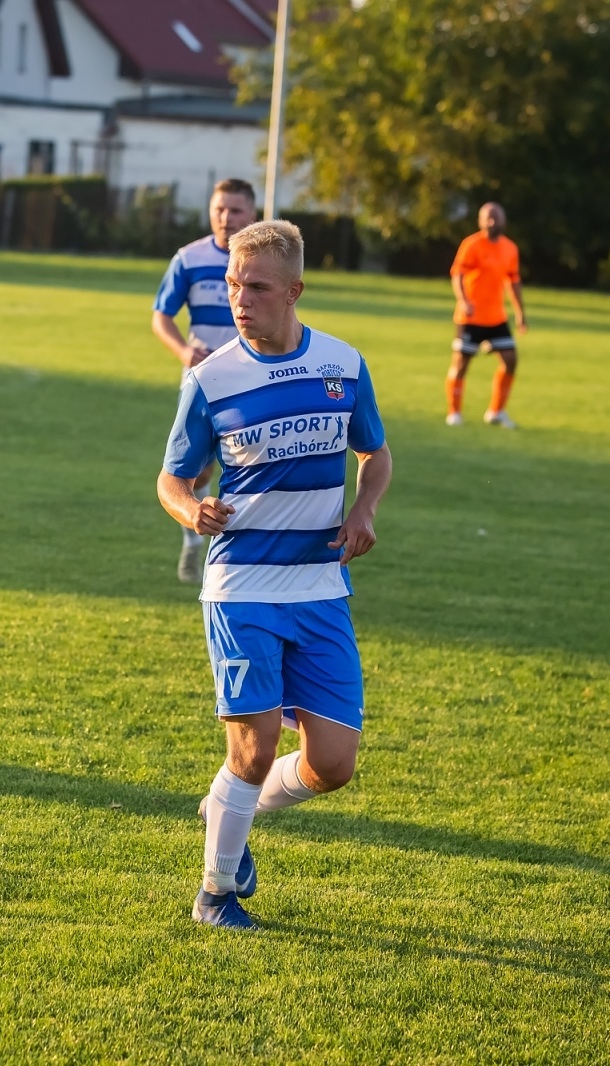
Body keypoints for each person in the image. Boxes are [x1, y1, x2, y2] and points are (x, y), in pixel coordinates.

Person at [157, 219, 393, 928]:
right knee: (255, 748)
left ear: (293, 291)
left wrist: (365, 510)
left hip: (321, 587)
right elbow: (170, 479)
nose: (239, 299)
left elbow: (375, 454)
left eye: (255, 287)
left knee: (333, 764)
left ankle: (224, 809)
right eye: (232, 285)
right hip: (242, 588)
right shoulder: (210, 378)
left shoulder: (343, 365)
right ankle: (215, 893)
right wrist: (190, 508)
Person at [153, 178, 259, 583]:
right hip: (202, 381)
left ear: (251, 214)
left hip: (252, 378)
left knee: (247, 460)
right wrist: (183, 351)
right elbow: (161, 316)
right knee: (193, 476)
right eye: (219, 209)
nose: (226, 218)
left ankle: (241, 554)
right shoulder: (189, 258)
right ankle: (194, 538)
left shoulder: (264, 262)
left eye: (235, 210)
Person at [447, 203, 528, 428]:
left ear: (504, 220)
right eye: (488, 218)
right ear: (481, 222)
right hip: (470, 318)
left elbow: (513, 281)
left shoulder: (510, 248)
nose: (493, 222)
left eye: (497, 217)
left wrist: (520, 312)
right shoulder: (471, 245)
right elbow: (458, 275)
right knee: (461, 364)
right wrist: (463, 301)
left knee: (511, 360)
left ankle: (496, 411)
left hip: (496, 317)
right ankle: (454, 412)